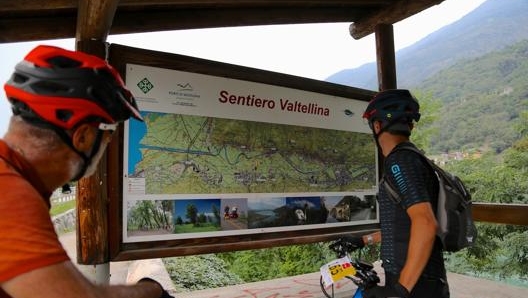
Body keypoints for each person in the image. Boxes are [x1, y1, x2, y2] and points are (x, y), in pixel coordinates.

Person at [0, 45, 174, 298]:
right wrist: (152, 290)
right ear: (83, 137)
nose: (108, 144)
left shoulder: (16, 179)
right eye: (109, 135)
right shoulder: (10, 194)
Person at [344, 89, 449, 298]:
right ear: (409, 125)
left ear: (377, 126)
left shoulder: (399, 162)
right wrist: (364, 240)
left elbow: (426, 224)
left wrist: (400, 291)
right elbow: (405, 226)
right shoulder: (412, 160)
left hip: (415, 285)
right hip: (418, 279)